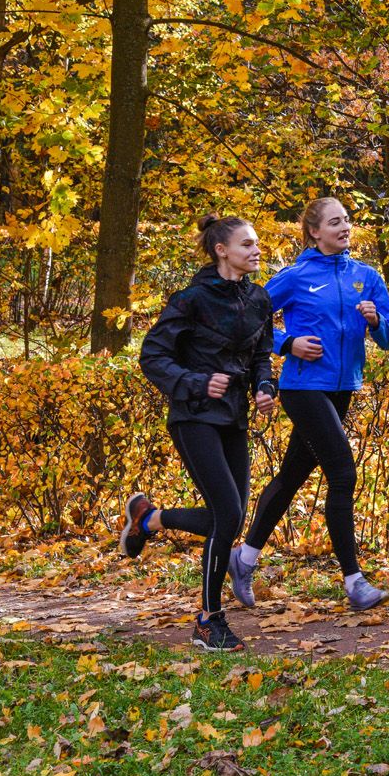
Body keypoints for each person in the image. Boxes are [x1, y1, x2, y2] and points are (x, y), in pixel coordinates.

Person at [230, 197, 389, 612]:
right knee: (342, 471)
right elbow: (247, 322)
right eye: (335, 222)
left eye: (347, 221)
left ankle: (244, 558)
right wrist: (289, 343)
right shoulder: (296, 276)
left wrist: (376, 321)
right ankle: (354, 581)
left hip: (343, 388)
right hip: (305, 389)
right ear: (314, 232)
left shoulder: (366, 276)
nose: (345, 228)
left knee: (291, 476)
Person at [124, 214, 277, 652]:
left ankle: (149, 519)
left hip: (233, 417)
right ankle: (208, 621)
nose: (256, 249)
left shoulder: (259, 299)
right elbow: (153, 355)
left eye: (257, 242)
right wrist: (195, 382)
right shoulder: (191, 299)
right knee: (226, 515)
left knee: (226, 517)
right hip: (193, 416)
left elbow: (261, 354)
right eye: (247, 244)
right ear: (221, 250)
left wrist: (265, 387)